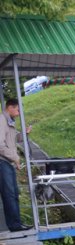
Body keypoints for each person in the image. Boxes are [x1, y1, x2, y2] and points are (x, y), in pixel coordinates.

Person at [0, 98, 32, 232]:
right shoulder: (2, 120)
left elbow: (12, 140)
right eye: (18, 110)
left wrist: (23, 134)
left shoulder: (9, 122)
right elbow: (0, 145)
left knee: (13, 194)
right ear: (10, 108)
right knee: (9, 194)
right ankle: (14, 226)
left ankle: (16, 224)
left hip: (8, 162)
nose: (19, 113)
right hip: (3, 162)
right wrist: (16, 158)